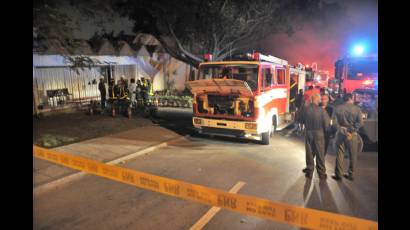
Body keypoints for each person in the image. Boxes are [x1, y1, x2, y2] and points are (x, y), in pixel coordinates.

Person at [331, 93, 363, 181]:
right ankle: (351, 174)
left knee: (340, 154)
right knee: (353, 155)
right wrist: (352, 131)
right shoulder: (357, 109)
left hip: (341, 133)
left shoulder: (337, 108)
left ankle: (338, 174)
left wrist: (341, 129)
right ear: (351, 98)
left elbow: (334, 123)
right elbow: (360, 122)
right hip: (352, 135)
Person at [299, 93, 330, 179]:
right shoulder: (322, 110)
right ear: (317, 99)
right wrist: (327, 133)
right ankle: (321, 173)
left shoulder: (306, 109)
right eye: (320, 98)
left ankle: (309, 171)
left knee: (309, 152)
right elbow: (327, 125)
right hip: (319, 133)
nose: (321, 100)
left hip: (308, 132)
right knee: (320, 153)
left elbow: (300, 120)